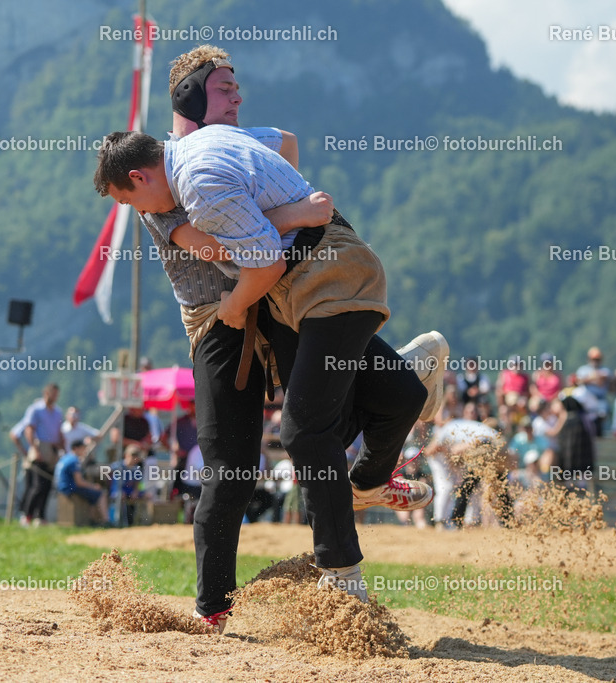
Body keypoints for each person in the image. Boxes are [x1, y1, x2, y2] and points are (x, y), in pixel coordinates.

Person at [101, 45, 444, 633]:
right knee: (233, 464)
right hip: (221, 316)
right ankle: (214, 606)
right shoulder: (167, 179)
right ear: (189, 100)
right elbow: (214, 249)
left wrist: (280, 203)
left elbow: (285, 144)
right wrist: (299, 214)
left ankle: (381, 420)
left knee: (315, 426)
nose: (237, 99)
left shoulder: (218, 147)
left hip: (278, 289)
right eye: (224, 90)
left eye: (236, 90)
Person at [425, 418, 515, 529]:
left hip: (488, 447)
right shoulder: (467, 425)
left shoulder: (446, 429)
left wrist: (460, 448)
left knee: (467, 486)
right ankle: (509, 522)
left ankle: (456, 520)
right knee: (500, 487)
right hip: (501, 445)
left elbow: (430, 450)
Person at [21, 384, 64, 527]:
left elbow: (59, 433)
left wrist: (61, 449)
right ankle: (27, 515)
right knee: (37, 486)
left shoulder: (58, 412)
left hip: (52, 450)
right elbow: (29, 430)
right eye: (53, 394)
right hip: (40, 447)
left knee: (47, 486)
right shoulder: (35, 409)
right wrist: (35, 449)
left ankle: (41, 517)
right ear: (46, 393)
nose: (55, 397)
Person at [54, 440, 107, 525]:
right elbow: (79, 482)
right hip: (69, 488)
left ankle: (92, 520)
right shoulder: (74, 460)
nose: (85, 450)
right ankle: (105, 521)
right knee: (100, 493)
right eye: (83, 448)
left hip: (61, 487)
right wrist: (94, 486)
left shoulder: (65, 458)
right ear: (76, 448)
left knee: (92, 496)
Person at [576, 347, 610, 436]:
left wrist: (588, 379)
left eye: (597, 359)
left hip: (600, 399)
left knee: (602, 414)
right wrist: (593, 378)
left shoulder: (605, 370)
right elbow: (578, 381)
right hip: (586, 399)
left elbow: (603, 379)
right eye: (594, 359)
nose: (595, 361)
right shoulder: (582, 369)